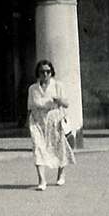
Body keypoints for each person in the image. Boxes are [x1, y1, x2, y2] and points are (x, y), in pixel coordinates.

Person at [27, 60, 75, 190]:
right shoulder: (33, 89)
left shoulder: (58, 86)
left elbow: (66, 104)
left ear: (51, 72)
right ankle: (42, 180)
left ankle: (61, 174)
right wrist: (27, 123)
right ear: (38, 73)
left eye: (48, 71)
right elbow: (30, 107)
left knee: (58, 147)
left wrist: (58, 100)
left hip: (54, 120)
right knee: (38, 148)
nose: (45, 74)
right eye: (42, 71)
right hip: (37, 122)